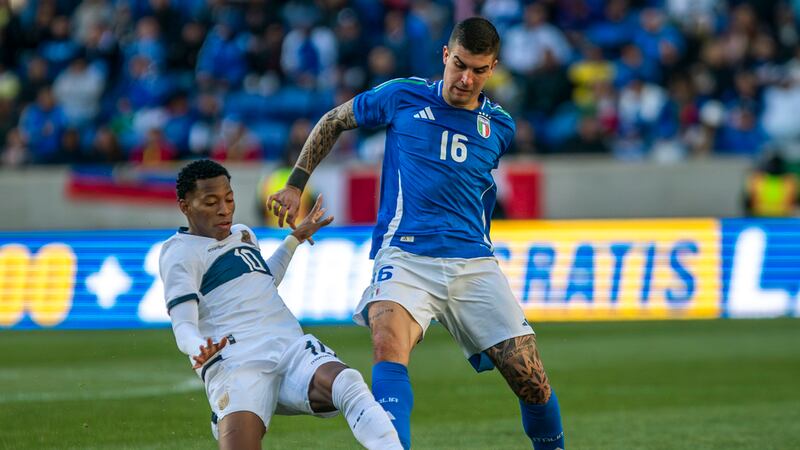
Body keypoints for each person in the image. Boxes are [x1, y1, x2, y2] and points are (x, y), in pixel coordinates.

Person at [268, 17, 565, 450]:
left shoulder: (500, 126)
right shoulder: (402, 94)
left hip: (473, 264)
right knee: (387, 343)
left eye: (479, 70)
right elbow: (333, 120)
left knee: (532, 381)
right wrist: (295, 183)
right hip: (405, 256)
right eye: (459, 64)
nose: (466, 78)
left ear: (493, 68)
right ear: (445, 55)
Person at [160, 159, 402, 450]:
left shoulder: (243, 234)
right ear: (185, 206)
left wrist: (294, 239)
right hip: (236, 361)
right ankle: (227, 415)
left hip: (287, 344)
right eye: (210, 202)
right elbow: (183, 324)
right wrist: (198, 346)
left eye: (228, 199)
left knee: (347, 382)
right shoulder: (179, 254)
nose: (224, 209)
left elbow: (262, 280)